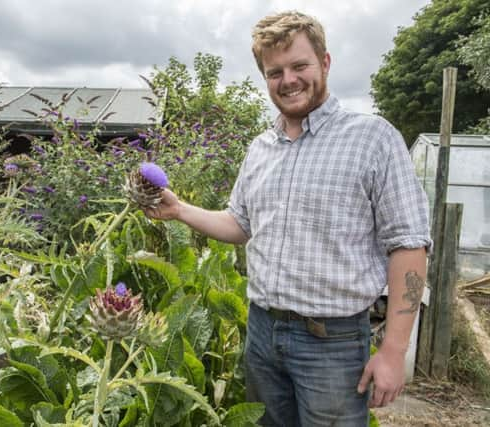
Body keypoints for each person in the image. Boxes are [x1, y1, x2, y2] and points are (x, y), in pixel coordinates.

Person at [145, 10, 432, 427]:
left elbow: (409, 244)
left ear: (325, 63)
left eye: (299, 66)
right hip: (262, 333)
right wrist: (178, 210)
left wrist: (392, 351)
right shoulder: (261, 147)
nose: (288, 80)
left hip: (332, 342)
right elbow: (240, 225)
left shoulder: (372, 139)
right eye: (274, 71)